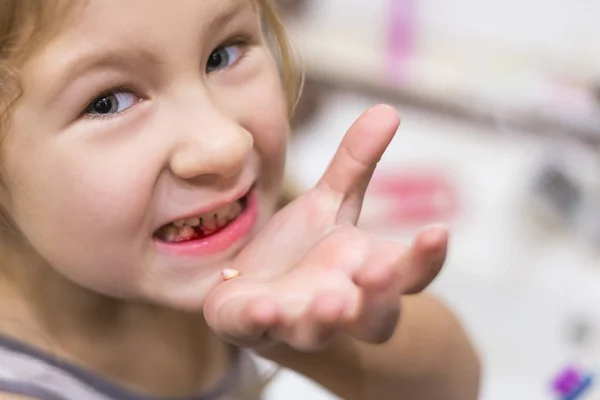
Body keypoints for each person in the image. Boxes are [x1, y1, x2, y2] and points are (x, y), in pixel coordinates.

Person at [0, 0, 480, 399]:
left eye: (222, 54)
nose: (225, 144)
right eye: (109, 101)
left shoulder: (245, 231)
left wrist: (309, 330)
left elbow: (454, 387)